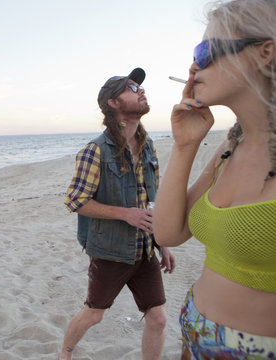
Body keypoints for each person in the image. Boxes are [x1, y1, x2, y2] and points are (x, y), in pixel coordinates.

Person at [152, 0, 276, 358]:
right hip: (195, 331)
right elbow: (169, 233)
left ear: (264, 51)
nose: (194, 66)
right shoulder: (230, 146)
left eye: (206, 51)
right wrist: (185, 145)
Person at [59, 67, 176, 360]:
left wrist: (163, 242)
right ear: (113, 103)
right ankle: (65, 353)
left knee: (158, 318)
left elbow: (153, 200)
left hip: (144, 250)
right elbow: (75, 200)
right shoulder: (95, 151)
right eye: (132, 88)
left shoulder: (148, 146)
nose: (141, 91)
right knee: (93, 315)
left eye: (140, 87)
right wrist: (125, 214)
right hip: (110, 251)